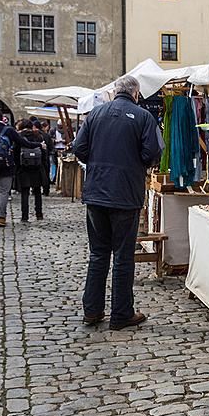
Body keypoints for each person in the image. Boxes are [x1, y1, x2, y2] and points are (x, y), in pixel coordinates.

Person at [73, 75, 162, 330]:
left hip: (97, 192)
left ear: (114, 92)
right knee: (123, 256)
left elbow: (79, 148)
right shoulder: (143, 116)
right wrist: (134, 162)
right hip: (125, 194)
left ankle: (92, 310)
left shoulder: (96, 114)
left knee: (98, 254)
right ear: (136, 94)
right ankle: (121, 314)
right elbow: (153, 153)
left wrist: (99, 159)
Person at [14, 119, 46, 222]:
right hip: (37, 168)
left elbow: (15, 153)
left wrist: (17, 168)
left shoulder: (18, 137)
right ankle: (39, 214)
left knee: (25, 193)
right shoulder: (38, 136)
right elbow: (44, 152)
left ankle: (25, 216)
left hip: (24, 168)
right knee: (37, 192)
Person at [0, 119, 23, 227]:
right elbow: (23, 142)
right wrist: (39, 145)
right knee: (4, 192)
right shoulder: (8, 130)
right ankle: (0, 217)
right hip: (6, 165)